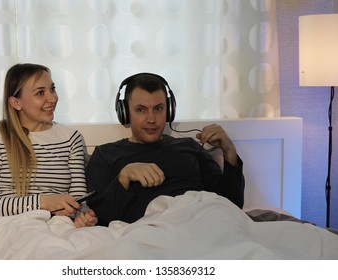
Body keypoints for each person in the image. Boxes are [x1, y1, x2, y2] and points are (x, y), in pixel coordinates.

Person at [85, 73, 245, 226]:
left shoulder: (189, 147)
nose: (151, 119)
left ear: (169, 110)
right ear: (125, 113)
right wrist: (124, 176)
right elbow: (100, 218)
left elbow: (232, 204)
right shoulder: (105, 155)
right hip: (150, 232)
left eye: (158, 108)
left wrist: (229, 150)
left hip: (204, 221)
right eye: (141, 110)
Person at [0, 63, 97, 228]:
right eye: (40, 93)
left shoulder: (71, 138)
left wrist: (82, 216)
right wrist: (44, 202)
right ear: (16, 103)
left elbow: (79, 202)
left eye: (52, 89)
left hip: (60, 228)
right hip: (11, 229)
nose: (52, 98)